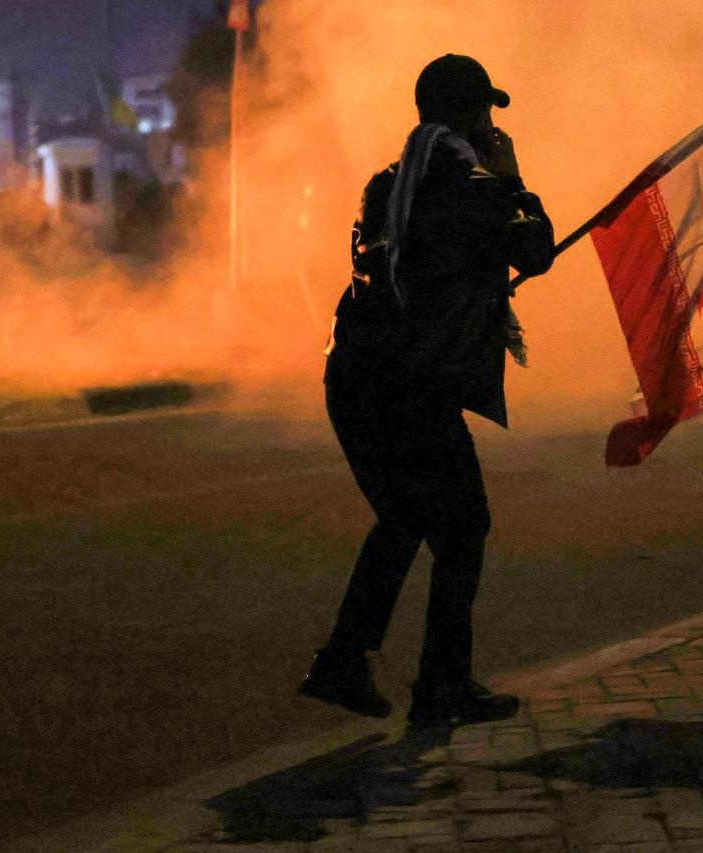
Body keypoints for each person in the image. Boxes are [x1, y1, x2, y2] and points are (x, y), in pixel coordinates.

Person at [299, 54, 555, 728]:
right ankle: (440, 687)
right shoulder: (470, 185)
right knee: (464, 527)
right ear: (472, 117)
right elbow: (535, 249)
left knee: (409, 517)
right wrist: (514, 179)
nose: (493, 126)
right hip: (408, 388)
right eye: (488, 114)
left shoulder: (390, 184)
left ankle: (344, 659)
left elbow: (426, 266)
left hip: (356, 380)